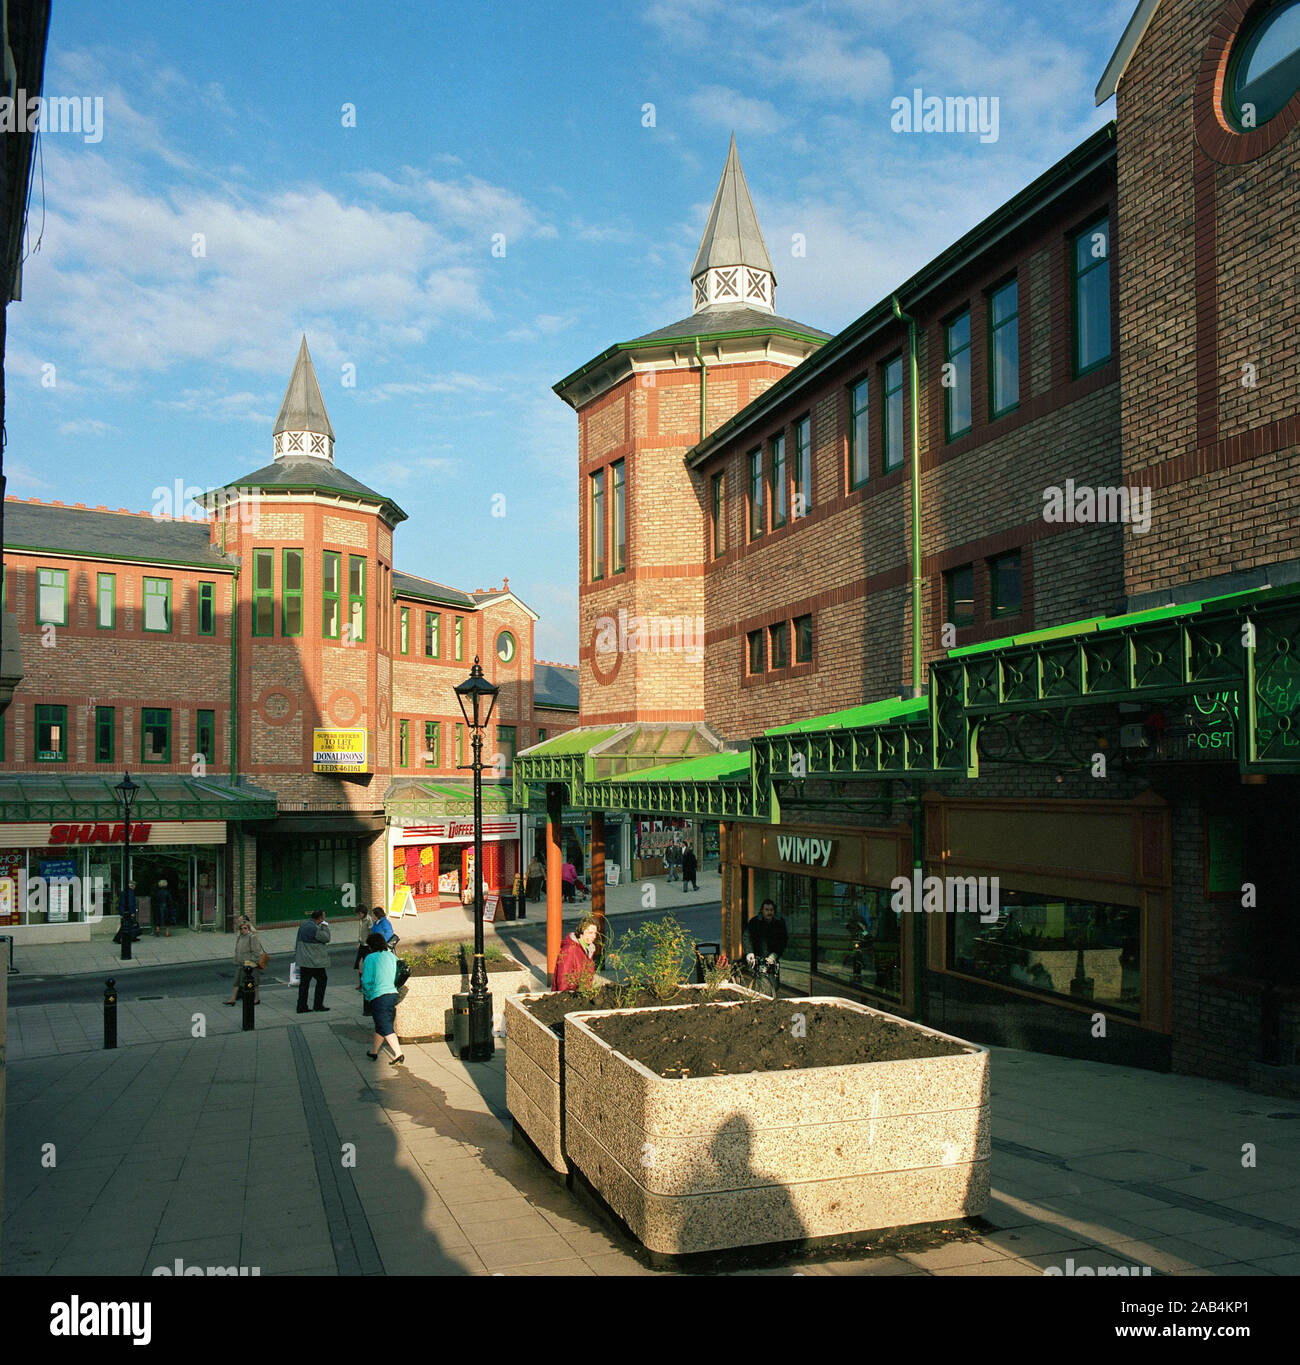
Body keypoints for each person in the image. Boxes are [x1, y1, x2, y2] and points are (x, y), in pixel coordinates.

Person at [361, 930, 404, 1065]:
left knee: (385, 1025)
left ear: (371, 946)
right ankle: (374, 1052)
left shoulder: (370, 958)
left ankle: (398, 1053)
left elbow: (366, 980)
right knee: (381, 1024)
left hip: (378, 995)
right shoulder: (391, 956)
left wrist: (367, 995)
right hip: (392, 994)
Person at [295, 909, 332, 1013]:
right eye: (323, 917)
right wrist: (325, 926)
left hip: (304, 960)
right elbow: (327, 938)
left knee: (304, 984)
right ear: (320, 918)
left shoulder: (303, 925)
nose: (324, 918)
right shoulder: (315, 928)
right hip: (314, 962)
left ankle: (301, 1006)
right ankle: (318, 1005)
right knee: (322, 980)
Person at [225, 915, 265, 1005]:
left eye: (245, 928)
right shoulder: (240, 937)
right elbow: (238, 949)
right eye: (241, 928)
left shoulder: (252, 937)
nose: (243, 930)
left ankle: (256, 998)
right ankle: (232, 999)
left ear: (248, 928)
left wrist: (251, 961)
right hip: (241, 963)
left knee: (254, 982)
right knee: (237, 981)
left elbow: (256, 952)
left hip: (250, 964)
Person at [553, 916, 598, 992]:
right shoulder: (569, 950)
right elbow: (563, 981)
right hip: (569, 996)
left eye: (595, 933)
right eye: (590, 933)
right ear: (581, 933)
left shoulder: (588, 950)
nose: (594, 936)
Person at [743, 898, 788, 969]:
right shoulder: (754, 922)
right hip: (756, 958)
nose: (769, 912)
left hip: (772, 959)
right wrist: (749, 952)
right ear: (762, 910)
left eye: (771, 910)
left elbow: (783, 940)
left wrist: (775, 954)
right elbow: (746, 937)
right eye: (767, 910)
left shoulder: (779, 923)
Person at [112, 880, 142, 945]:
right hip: (127, 912)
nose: (135, 887)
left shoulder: (124, 892)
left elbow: (121, 902)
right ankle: (117, 938)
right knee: (126, 925)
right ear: (132, 886)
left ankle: (133, 937)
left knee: (129, 925)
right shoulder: (130, 893)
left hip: (123, 911)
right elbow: (131, 903)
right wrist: (132, 912)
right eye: (134, 886)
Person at [354, 906, 375, 990]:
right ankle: (361, 983)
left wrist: (370, 944)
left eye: (359, 914)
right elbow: (360, 931)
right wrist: (359, 941)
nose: (358, 916)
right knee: (360, 964)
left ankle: (367, 983)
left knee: (367, 965)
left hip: (367, 946)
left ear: (363, 913)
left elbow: (370, 933)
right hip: (362, 944)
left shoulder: (369, 920)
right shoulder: (361, 920)